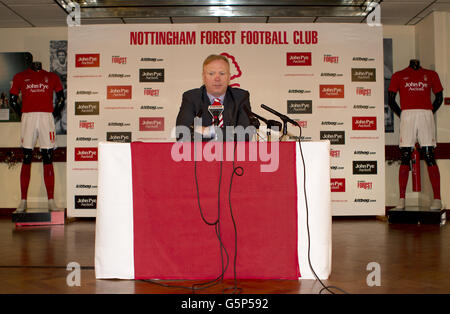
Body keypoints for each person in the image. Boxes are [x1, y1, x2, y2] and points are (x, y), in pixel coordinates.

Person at [9, 61, 65, 213]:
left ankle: (51, 201)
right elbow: (12, 98)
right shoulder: (20, 76)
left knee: (48, 156)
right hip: (28, 116)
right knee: (26, 156)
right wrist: (22, 114)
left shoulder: (52, 77)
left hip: (46, 117)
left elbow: (61, 97)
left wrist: (54, 113)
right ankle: (23, 201)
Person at [388, 59, 444, 210]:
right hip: (407, 114)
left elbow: (439, 98)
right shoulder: (398, 75)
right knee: (405, 154)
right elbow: (391, 99)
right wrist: (402, 114)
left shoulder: (431, 75)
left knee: (429, 154)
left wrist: (429, 112)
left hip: (426, 114)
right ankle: (401, 200)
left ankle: (437, 199)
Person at [175, 54, 254, 141]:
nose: (217, 78)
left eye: (222, 73)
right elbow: (182, 134)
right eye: (211, 73)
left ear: (229, 77)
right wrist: (229, 133)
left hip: (234, 154)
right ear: (204, 77)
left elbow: (246, 134)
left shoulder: (240, 97)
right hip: (199, 154)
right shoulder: (191, 98)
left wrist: (208, 131)